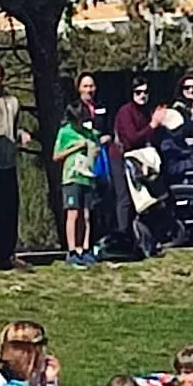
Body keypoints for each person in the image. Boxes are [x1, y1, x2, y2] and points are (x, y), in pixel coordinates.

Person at [0, 61, 29, 271]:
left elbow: (12, 128)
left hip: (8, 163)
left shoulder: (12, 102)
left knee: (9, 211)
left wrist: (22, 135)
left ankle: (8, 253)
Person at [54, 75, 103, 267]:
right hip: (71, 176)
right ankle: (72, 249)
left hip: (87, 177)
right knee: (72, 213)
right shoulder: (66, 131)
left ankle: (85, 248)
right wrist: (75, 147)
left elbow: (97, 145)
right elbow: (56, 156)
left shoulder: (90, 133)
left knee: (86, 214)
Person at [112, 76, 158, 256]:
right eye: (138, 92)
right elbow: (132, 138)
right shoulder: (126, 112)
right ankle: (124, 236)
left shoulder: (145, 112)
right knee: (124, 199)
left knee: (143, 199)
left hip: (137, 159)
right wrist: (152, 125)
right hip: (121, 157)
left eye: (145, 92)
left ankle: (142, 238)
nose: (142, 95)